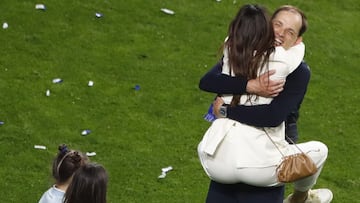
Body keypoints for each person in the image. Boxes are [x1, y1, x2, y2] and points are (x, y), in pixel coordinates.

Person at [197, 4, 333, 203]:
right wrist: (250, 85)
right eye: (277, 25)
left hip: (269, 149)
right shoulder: (244, 55)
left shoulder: (297, 71)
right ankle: (302, 197)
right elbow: (208, 81)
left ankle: (301, 197)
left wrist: (226, 111)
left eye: (290, 32)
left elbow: (273, 116)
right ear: (267, 25)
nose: (280, 33)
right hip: (232, 147)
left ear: (297, 41)